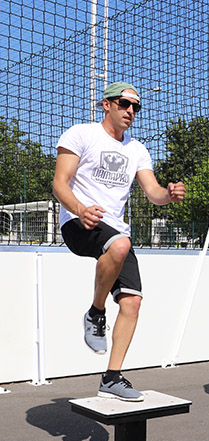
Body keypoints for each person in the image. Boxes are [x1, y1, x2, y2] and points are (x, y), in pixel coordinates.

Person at [52, 82, 185, 401]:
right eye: (124, 104)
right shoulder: (81, 134)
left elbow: (152, 192)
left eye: (136, 107)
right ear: (106, 105)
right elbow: (59, 183)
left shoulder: (137, 149)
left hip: (113, 231)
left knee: (132, 301)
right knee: (120, 245)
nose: (130, 111)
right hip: (78, 222)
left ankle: (111, 378)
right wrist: (80, 209)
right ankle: (96, 313)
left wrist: (168, 194)